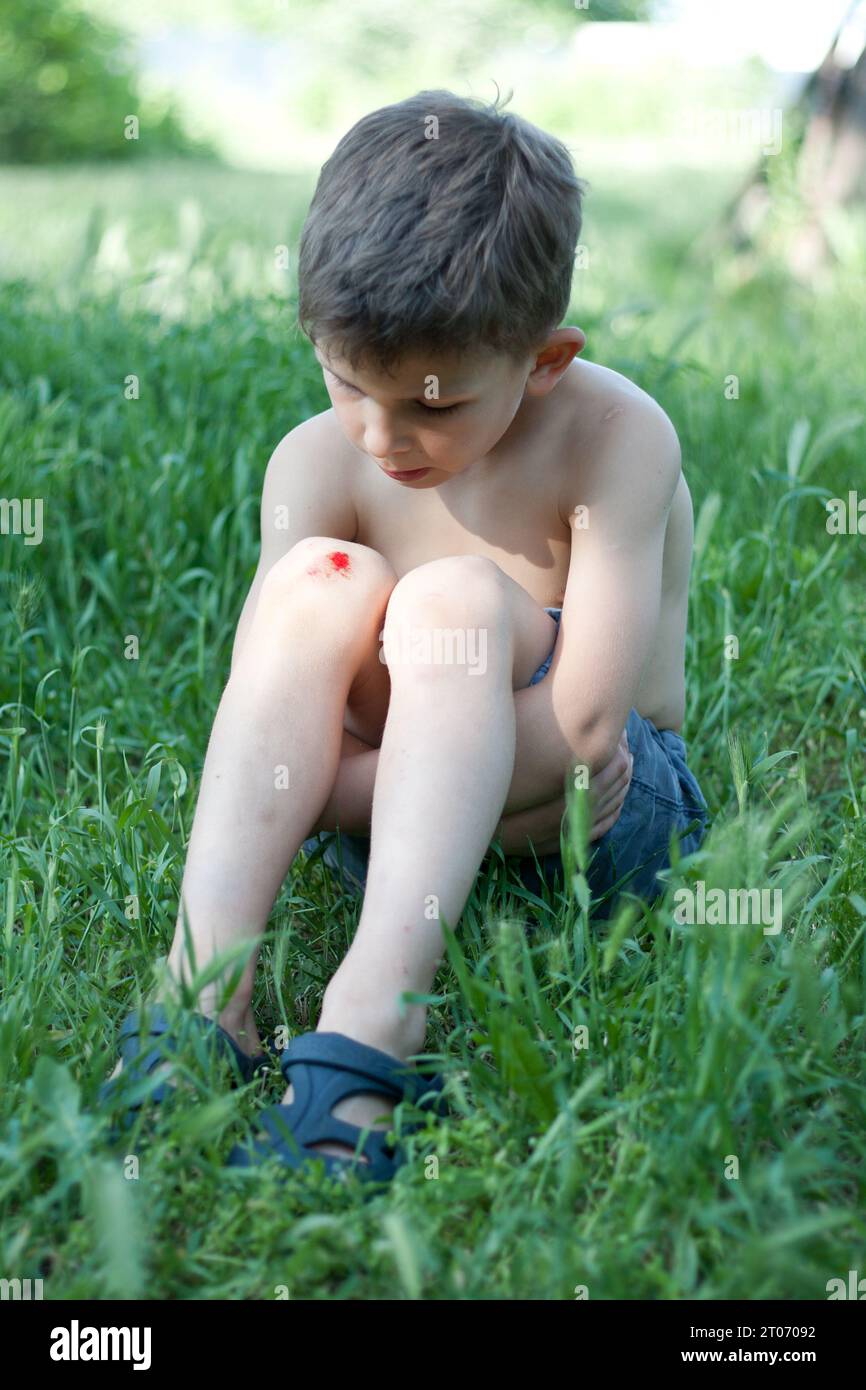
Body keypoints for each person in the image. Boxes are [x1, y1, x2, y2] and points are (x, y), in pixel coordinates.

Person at [101, 89, 709, 1185]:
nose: (384, 437)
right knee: (317, 580)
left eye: (434, 406)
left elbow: (584, 732)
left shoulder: (617, 435)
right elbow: (277, 695)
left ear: (545, 359)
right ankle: (204, 989)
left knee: (450, 602)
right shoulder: (313, 463)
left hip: (594, 812)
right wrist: (365, 775)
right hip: (406, 809)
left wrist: (318, 788)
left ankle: (374, 1019)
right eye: (346, 385)